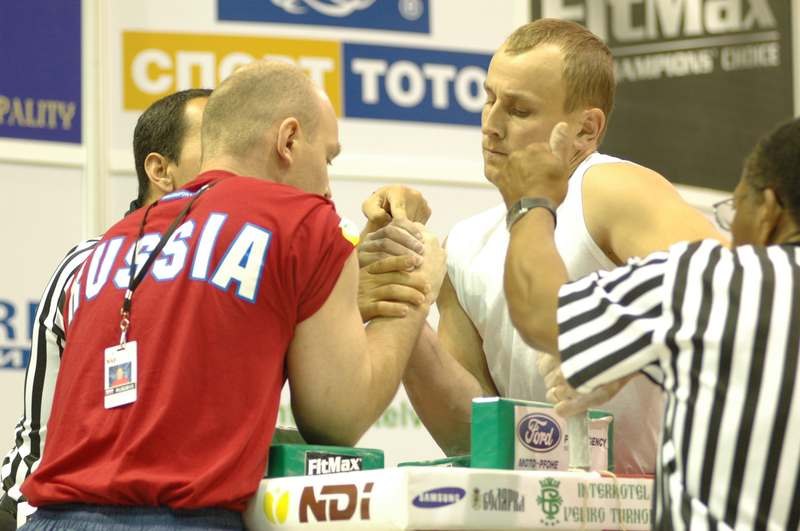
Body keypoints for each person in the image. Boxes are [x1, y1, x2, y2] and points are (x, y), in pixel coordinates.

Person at [19, 60, 446, 530]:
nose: (327, 184)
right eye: (327, 159)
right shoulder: (303, 222)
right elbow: (337, 418)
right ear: (287, 141)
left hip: (50, 519)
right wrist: (415, 287)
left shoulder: (118, 239)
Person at [365, 18, 725, 473]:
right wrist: (405, 301)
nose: (491, 126)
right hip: (545, 510)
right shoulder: (466, 245)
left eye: (518, 110)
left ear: (586, 130)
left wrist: (628, 345)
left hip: (661, 507)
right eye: (489, 99)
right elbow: (470, 436)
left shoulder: (608, 187)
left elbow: (733, 282)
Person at [499, 117, 800, 530]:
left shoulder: (714, 278)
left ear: (769, 210)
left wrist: (530, 202)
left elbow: (540, 312)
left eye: (733, 212)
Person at [0, 88, 212, 531]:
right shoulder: (86, 263)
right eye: (214, 148)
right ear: (160, 170)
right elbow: (35, 443)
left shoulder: (242, 266)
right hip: (51, 511)